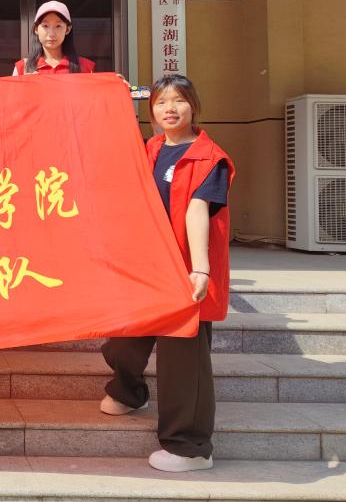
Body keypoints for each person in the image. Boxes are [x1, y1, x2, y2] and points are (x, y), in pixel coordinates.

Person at [99, 74, 235, 472]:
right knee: (124, 339)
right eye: (161, 102)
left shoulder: (210, 158)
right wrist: (111, 94)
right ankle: (129, 391)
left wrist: (200, 268)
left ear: (193, 105)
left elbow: (197, 210)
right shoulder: (151, 148)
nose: (170, 109)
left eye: (178, 100)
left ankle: (190, 447)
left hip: (187, 272)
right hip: (148, 268)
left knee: (183, 362)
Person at [12, 0, 96, 75]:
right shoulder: (22, 68)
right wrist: (26, 84)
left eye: (58, 26)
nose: (51, 34)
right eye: (45, 26)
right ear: (36, 29)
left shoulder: (87, 68)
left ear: (67, 29)